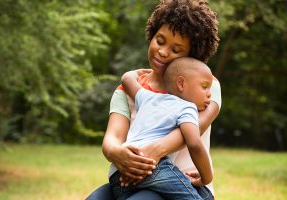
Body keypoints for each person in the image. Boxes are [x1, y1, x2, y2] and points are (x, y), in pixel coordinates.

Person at [86, 0, 221, 199]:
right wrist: (118, 153)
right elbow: (112, 138)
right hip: (130, 176)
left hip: (185, 181)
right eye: (160, 40)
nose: (163, 51)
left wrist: (151, 152)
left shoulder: (204, 87)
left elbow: (192, 131)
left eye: (176, 50)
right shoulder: (129, 89)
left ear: (192, 56)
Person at [109, 57, 214, 200]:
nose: (210, 93)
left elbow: (126, 80)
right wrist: (206, 178)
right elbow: (194, 144)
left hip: (120, 170)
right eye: (204, 86)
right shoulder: (187, 107)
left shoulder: (148, 98)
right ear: (181, 83)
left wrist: (136, 73)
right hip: (152, 168)